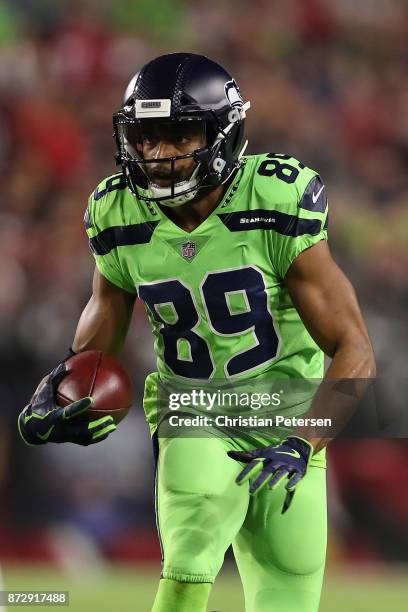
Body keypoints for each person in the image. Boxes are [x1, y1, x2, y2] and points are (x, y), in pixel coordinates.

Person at [18, 53, 375, 612]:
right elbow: (101, 327)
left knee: (290, 586)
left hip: (288, 412)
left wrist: (307, 442)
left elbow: (355, 349)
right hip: (194, 404)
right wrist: (65, 386)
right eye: (146, 137)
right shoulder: (117, 211)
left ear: (222, 135)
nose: (158, 155)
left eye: (178, 135)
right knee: (192, 552)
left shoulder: (275, 199)